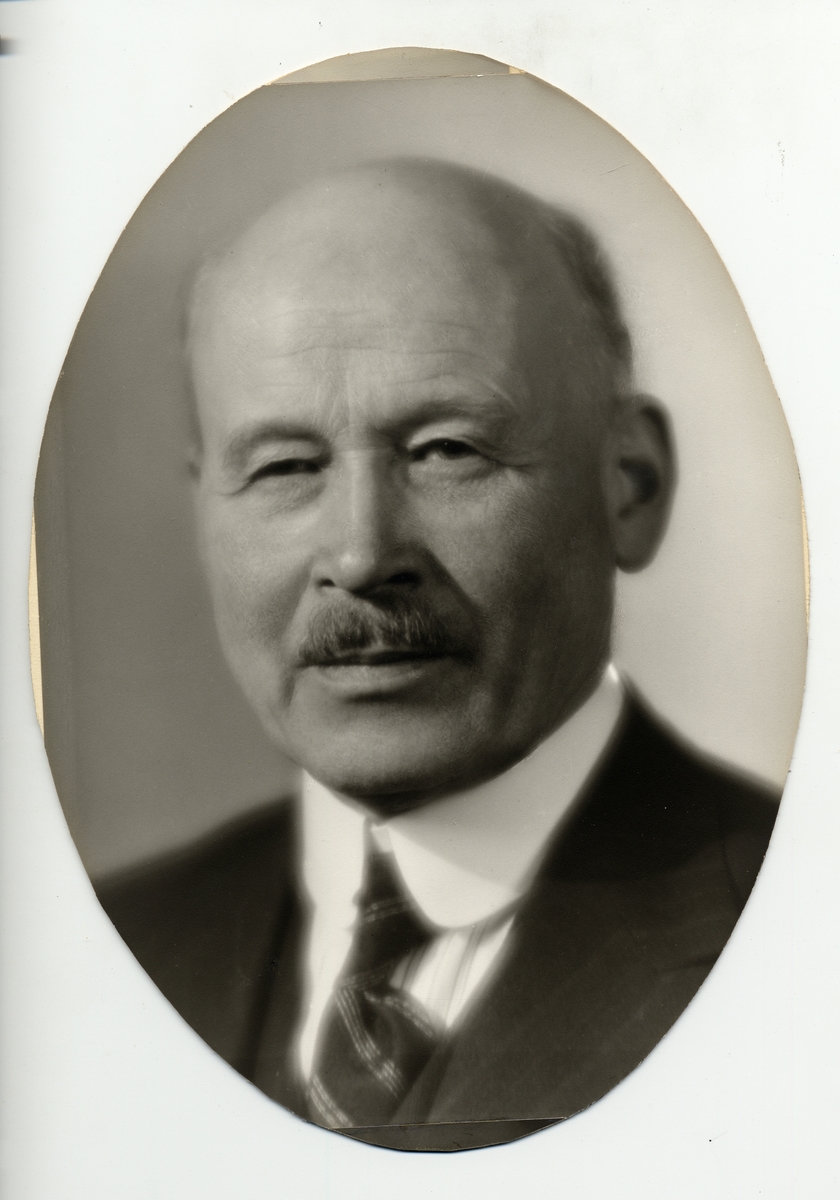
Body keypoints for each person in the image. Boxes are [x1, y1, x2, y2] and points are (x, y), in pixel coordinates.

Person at [98, 159, 778, 1152]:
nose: (361, 555)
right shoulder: (102, 953)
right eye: (285, 466)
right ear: (204, 506)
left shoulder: (799, 930)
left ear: (630, 483)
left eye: (447, 450)